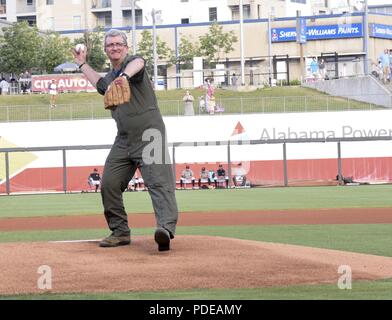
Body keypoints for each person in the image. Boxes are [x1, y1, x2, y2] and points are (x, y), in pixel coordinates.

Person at [72, 28, 178, 251]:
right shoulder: (111, 78)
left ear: (126, 47)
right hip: (124, 140)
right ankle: (119, 231)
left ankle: (165, 230)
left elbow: (138, 62)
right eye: (110, 45)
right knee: (109, 184)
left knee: (159, 183)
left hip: (150, 135)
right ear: (106, 50)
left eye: (118, 44)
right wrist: (82, 64)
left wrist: (124, 77)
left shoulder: (133, 65)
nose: (115, 47)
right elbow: (100, 84)